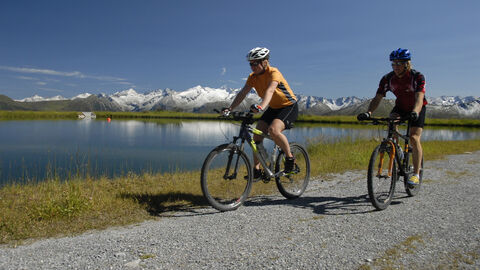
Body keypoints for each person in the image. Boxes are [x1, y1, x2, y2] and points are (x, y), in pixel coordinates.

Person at [223, 47, 299, 179]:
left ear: (265, 62)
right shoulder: (252, 77)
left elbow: (270, 91)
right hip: (273, 108)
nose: (252, 66)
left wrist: (261, 106)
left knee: (273, 130)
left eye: (255, 63)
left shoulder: (274, 72)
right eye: (250, 63)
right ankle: (257, 170)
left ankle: (290, 159)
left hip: (288, 106)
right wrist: (230, 109)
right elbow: (242, 93)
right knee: (256, 137)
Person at [357, 48, 427, 185]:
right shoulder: (387, 79)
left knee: (413, 137)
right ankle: (397, 148)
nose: (395, 67)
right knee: (391, 122)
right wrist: (369, 112)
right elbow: (377, 97)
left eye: (399, 63)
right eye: (393, 64)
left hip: (417, 108)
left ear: (407, 64)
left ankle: (416, 174)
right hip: (400, 107)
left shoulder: (417, 76)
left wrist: (415, 112)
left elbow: (419, 98)